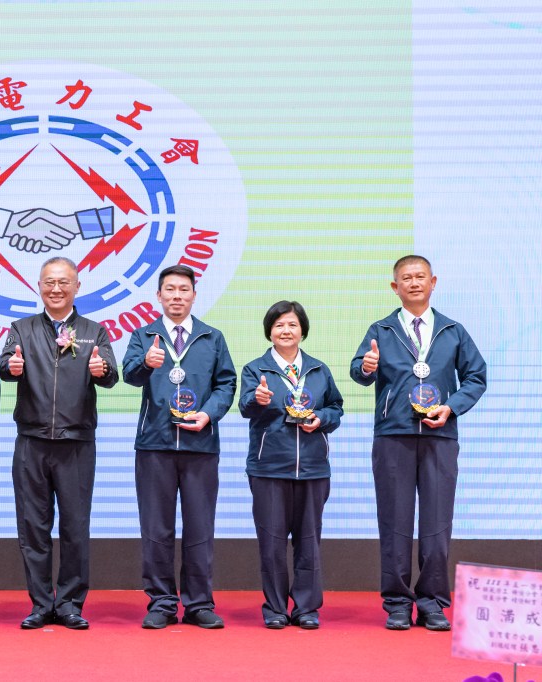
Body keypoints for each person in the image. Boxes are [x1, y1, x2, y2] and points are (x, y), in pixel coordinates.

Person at [351, 255, 486, 631]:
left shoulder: (453, 330)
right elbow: (359, 371)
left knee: (437, 523)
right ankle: (397, 602)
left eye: (420, 277)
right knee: (394, 522)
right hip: (393, 434)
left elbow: (476, 376)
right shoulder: (381, 329)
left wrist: (451, 407)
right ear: (395, 287)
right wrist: (366, 367)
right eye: (406, 278)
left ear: (433, 282)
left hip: (439, 435)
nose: (413, 283)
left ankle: (432, 602)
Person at [0, 257, 119, 630]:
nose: (56, 288)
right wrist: (11, 368)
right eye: (49, 281)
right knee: (33, 527)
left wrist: (102, 370)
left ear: (77, 287)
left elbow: (111, 375)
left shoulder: (94, 331)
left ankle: (69, 604)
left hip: (76, 443)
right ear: (39, 286)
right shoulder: (21, 329)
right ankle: (39, 604)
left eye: (64, 282)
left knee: (75, 528)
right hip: (31, 443)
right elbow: (4, 366)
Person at [122, 264, 236, 630]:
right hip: (154, 444)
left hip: (200, 444)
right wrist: (146, 363)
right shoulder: (144, 335)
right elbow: (128, 375)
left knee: (200, 527)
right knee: (156, 529)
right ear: (158, 296)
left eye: (183, 290)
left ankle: (199, 603)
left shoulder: (212, 337)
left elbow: (226, 384)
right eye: (169, 289)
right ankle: (162, 602)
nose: (176, 296)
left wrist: (208, 414)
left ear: (193, 295)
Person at [238, 301, 343, 630]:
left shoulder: (318, 370)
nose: (286, 331)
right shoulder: (256, 369)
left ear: (302, 331)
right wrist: (257, 399)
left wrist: (321, 418)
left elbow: (336, 408)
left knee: (308, 542)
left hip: (313, 469)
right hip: (269, 468)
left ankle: (307, 608)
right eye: (279, 325)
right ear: (269, 331)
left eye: (292, 325)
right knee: (271, 544)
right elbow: (244, 407)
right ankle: (275, 608)